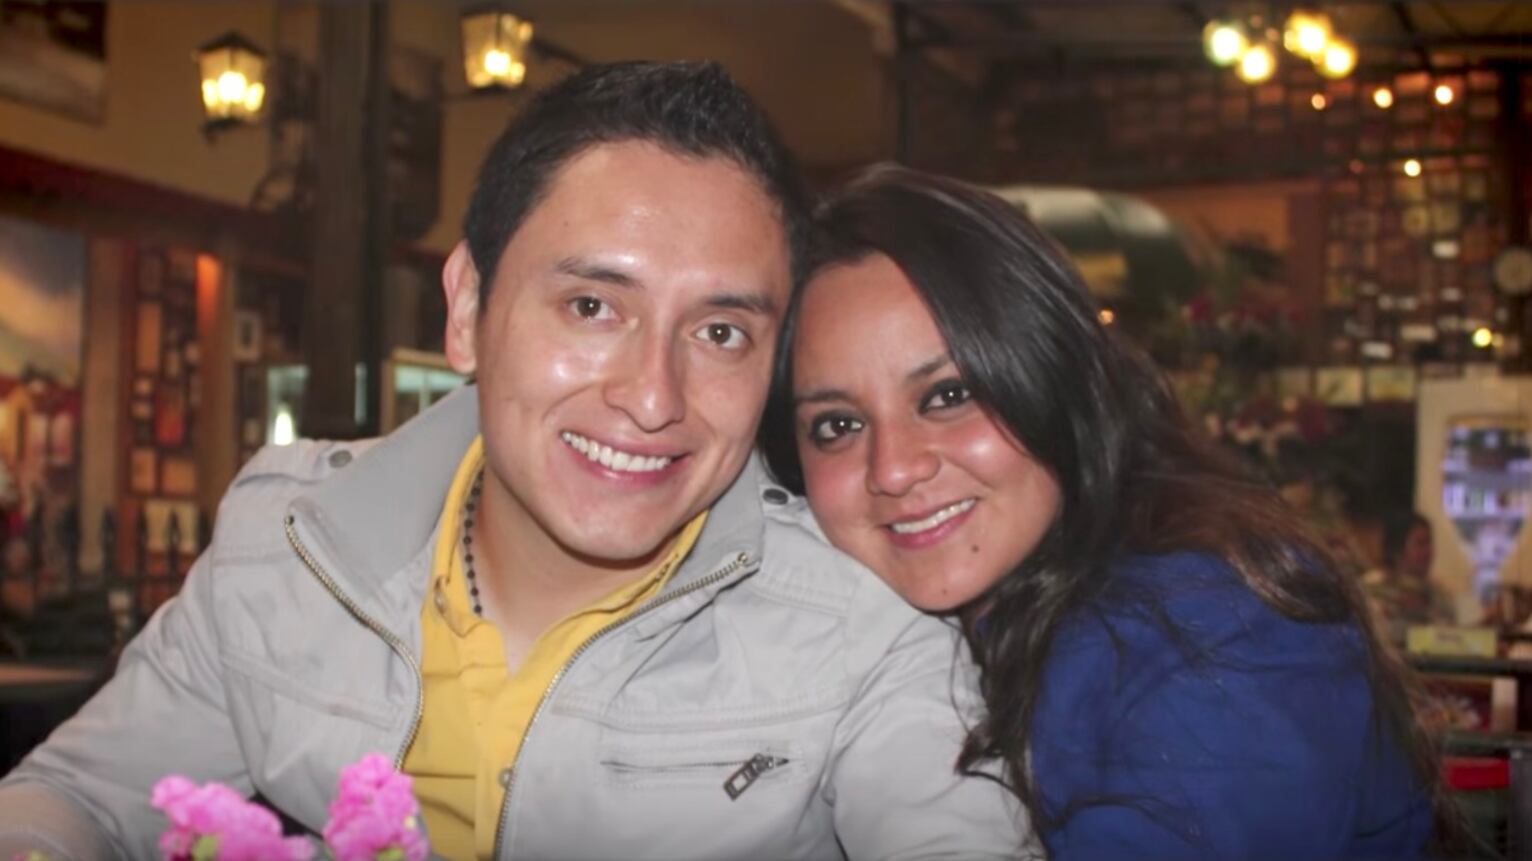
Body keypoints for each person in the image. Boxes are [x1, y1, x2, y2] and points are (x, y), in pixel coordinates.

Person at [0, 66, 1025, 860]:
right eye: (592, 306)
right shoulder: (286, 549)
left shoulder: (863, 635)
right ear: (467, 308)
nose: (653, 397)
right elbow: (75, 797)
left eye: (720, 332)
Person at [760, 165, 1439, 860]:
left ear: (1055, 376)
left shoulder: (1208, 634)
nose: (894, 468)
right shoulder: (868, 637)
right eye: (838, 425)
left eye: (948, 395)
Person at [1363, 510, 1453, 642]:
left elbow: (1448, 637)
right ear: (1397, 548)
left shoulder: (1439, 593)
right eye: (1421, 544)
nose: (1429, 552)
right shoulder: (1373, 588)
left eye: (1429, 543)